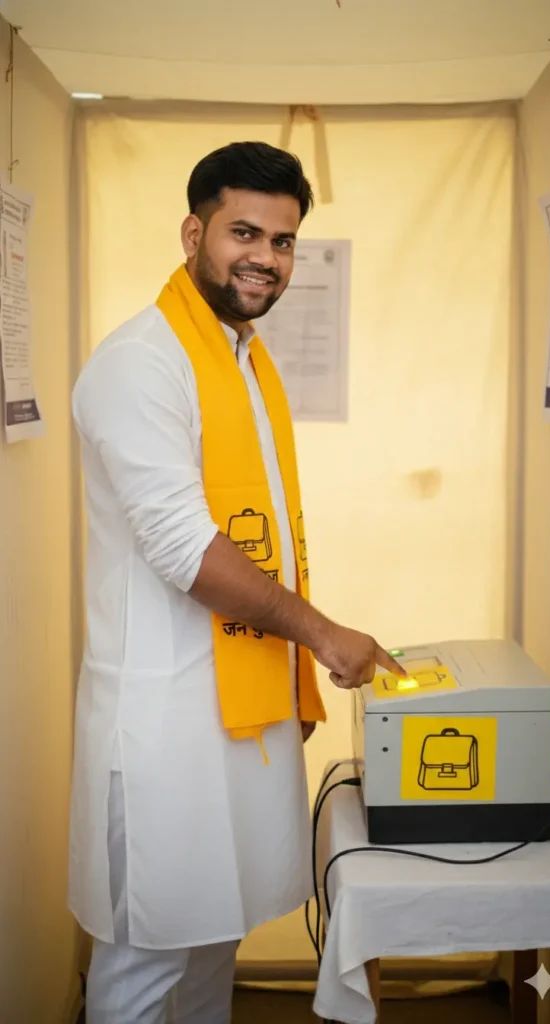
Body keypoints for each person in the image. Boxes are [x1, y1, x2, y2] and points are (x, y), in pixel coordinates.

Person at [69, 141, 403, 1024]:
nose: (264, 256)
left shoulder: (244, 358)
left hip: (230, 713)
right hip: (161, 725)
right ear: (193, 232)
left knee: (212, 948)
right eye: (244, 231)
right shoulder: (143, 362)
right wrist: (323, 636)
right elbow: (187, 549)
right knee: (146, 963)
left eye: (284, 241)